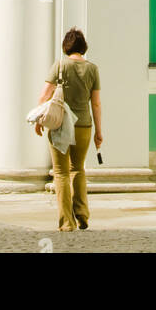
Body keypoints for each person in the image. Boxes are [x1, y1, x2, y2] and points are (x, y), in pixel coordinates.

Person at [34, 27, 102, 231]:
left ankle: (66, 222)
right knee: (78, 168)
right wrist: (99, 132)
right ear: (83, 47)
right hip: (84, 125)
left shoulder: (60, 66)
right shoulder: (92, 69)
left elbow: (44, 96)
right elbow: (96, 103)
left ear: (66, 46)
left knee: (61, 172)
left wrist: (38, 120)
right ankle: (82, 215)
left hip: (60, 124)